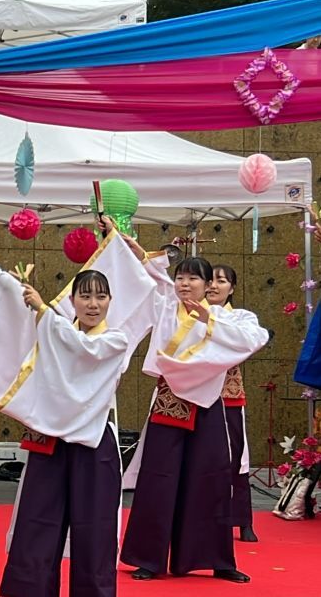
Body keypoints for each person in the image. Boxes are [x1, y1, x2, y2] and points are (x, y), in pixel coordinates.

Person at [0, 231, 142, 597]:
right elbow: (17, 314)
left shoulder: (115, 341)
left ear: (111, 300)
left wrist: (44, 309)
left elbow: (80, 347)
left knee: (94, 534)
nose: (92, 304)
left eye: (100, 296)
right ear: (74, 300)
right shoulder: (53, 329)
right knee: (36, 527)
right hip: (50, 441)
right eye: (85, 295)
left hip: (95, 445)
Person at [118, 238, 268, 583]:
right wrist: (138, 253)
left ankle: (218, 559)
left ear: (208, 285)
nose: (185, 284)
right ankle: (148, 558)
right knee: (158, 480)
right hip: (169, 403)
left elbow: (255, 337)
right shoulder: (165, 307)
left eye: (194, 278)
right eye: (181, 277)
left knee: (211, 481)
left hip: (207, 406)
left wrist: (209, 322)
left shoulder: (227, 317)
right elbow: (149, 281)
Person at [206, 263, 261, 543]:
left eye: (222, 281)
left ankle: (242, 520)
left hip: (228, 396)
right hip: (196, 396)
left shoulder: (241, 317)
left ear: (232, 288)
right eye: (210, 280)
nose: (214, 286)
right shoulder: (189, 315)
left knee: (236, 458)